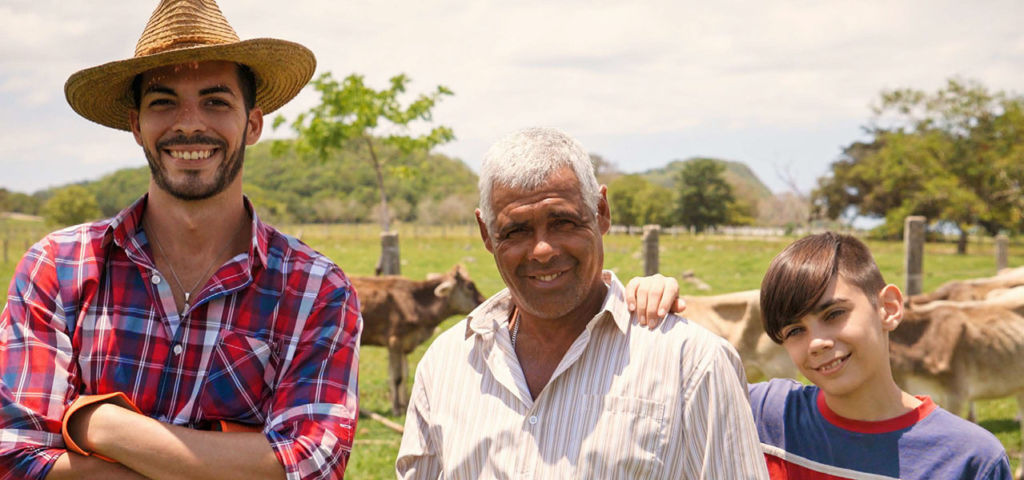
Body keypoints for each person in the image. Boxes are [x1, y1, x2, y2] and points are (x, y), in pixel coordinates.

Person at [0, 1, 361, 478]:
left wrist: (99, 423)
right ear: (136, 126)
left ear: (252, 124)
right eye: (163, 102)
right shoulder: (59, 267)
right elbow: (16, 457)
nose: (189, 123)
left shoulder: (316, 289)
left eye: (216, 101)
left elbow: (311, 464)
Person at [395, 127, 768, 479]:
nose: (542, 250)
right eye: (516, 231)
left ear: (601, 212)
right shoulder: (446, 365)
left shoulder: (691, 363)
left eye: (563, 222)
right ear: (486, 234)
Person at [751, 232, 1011, 479]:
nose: (817, 343)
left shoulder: (971, 460)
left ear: (888, 308)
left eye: (834, 314)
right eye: (795, 330)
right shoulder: (763, 415)